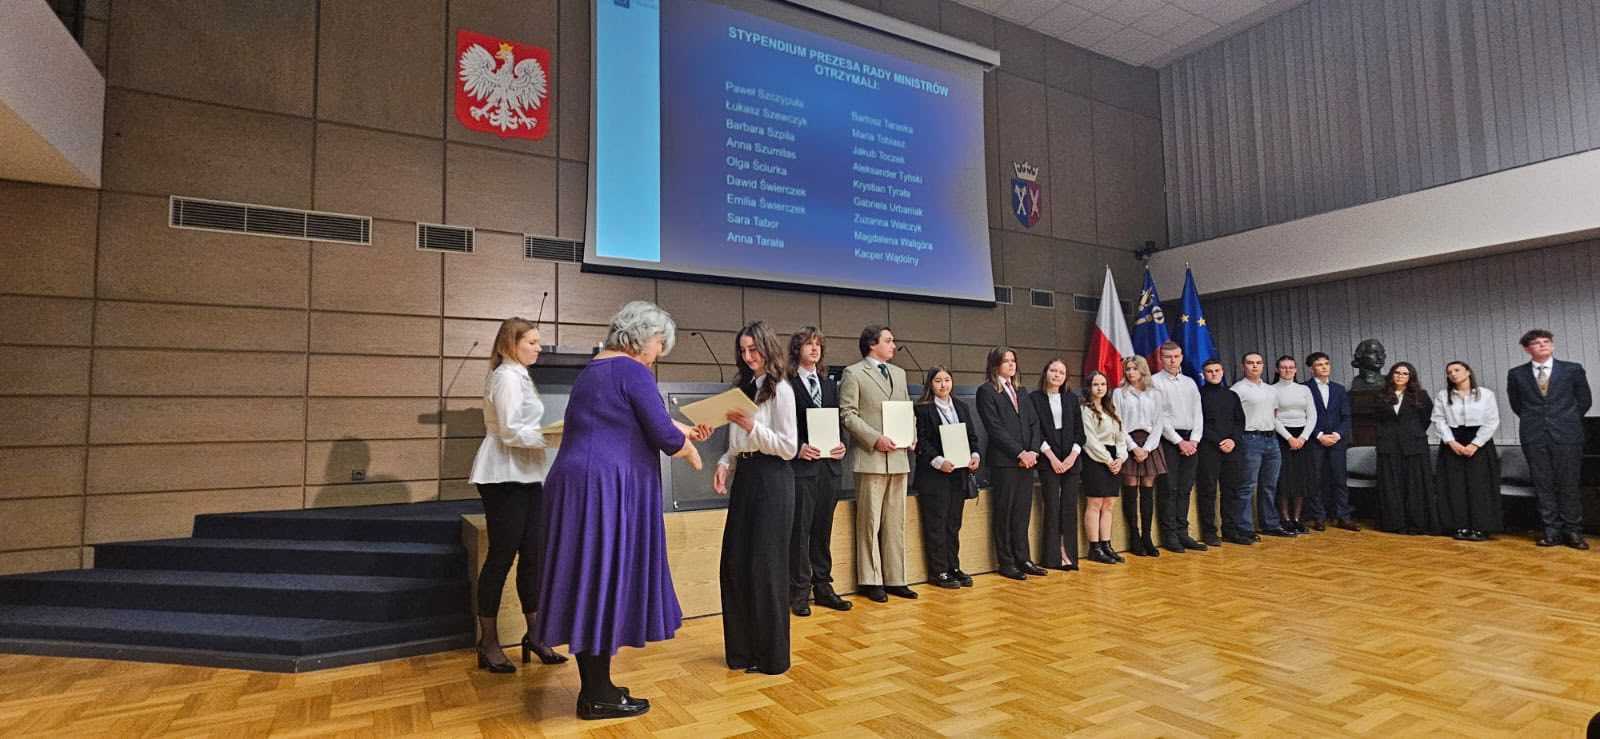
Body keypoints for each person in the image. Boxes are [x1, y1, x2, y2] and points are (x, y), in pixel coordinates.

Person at [536, 301, 709, 721]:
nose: (658, 354)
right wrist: (688, 448)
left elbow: (624, 418)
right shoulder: (632, 370)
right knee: (603, 581)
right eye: (659, 345)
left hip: (578, 485)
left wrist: (680, 430)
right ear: (644, 337)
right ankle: (596, 695)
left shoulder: (595, 369)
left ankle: (598, 687)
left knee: (588, 581)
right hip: (604, 491)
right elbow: (661, 433)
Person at [468, 317, 566, 673]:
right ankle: (488, 642)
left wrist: (548, 436)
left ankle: (536, 635)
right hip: (503, 474)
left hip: (526, 473)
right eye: (532, 342)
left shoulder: (519, 374)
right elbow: (510, 431)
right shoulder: (506, 376)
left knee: (534, 556)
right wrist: (551, 437)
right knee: (501, 558)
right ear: (511, 343)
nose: (539, 348)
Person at [712, 321, 799, 675]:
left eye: (753, 349)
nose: (748, 357)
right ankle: (742, 652)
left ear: (767, 348)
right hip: (746, 477)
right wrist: (724, 463)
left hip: (772, 479)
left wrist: (753, 427)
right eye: (743, 351)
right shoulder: (744, 388)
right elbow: (736, 444)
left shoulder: (782, 390)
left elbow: (788, 447)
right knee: (734, 565)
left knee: (766, 569)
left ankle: (772, 658)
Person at [839, 325, 917, 601]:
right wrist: (874, 439)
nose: (894, 345)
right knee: (869, 522)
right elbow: (848, 414)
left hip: (898, 456)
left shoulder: (899, 373)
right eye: (889, 340)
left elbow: (907, 409)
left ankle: (896, 578)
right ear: (873, 344)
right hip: (870, 456)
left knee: (896, 522)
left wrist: (912, 435)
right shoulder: (854, 373)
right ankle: (870, 579)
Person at [1506, 329, 1592, 549]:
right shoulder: (1517, 374)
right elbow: (1517, 405)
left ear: (1552, 345)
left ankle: (1573, 531)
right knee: (1543, 484)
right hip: (1534, 435)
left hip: (1567, 434)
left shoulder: (1572, 369)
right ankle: (1551, 531)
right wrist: (1537, 421)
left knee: (1569, 484)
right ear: (1527, 349)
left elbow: (1584, 400)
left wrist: (1565, 419)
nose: (1543, 345)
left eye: (1546, 341)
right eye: (1537, 343)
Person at [785, 327, 851, 616]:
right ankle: (799, 591)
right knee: (800, 532)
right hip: (802, 468)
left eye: (818, 345)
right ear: (796, 349)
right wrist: (798, 447)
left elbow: (838, 421)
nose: (814, 349)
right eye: (808, 344)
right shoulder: (787, 385)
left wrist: (842, 445)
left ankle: (823, 586)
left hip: (828, 468)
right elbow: (784, 425)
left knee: (823, 530)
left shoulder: (828, 384)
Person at [975, 346, 1044, 579]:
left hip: (1028, 462)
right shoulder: (986, 391)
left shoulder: (1021, 390)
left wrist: (1033, 451)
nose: (1012, 364)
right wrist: (1019, 453)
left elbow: (1034, 423)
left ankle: (1023, 558)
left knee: (1022, 513)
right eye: (1006, 361)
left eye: (1013, 360)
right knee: (1004, 513)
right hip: (1005, 462)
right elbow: (994, 428)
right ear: (995, 365)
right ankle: (1006, 562)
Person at [914, 366, 981, 588]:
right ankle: (939, 570)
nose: (943, 385)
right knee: (936, 523)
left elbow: (972, 437)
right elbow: (921, 442)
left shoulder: (961, 407)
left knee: (953, 524)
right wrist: (939, 461)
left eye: (947, 380)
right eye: (938, 381)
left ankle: (954, 566)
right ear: (930, 384)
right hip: (935, 475)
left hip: (958, 473)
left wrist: (974, 456)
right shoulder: (922, 409)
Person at [1432, 361, 1502, 541]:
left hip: (1479, 441)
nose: (1453, 374)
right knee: (1454, 486)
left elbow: (1492, 421)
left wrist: (1475, 444)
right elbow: (1438, 420)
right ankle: (1458, 525)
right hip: (1452, 441)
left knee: (1480, 486)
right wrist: (1451, 442)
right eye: (1449, 372)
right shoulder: (1443, 396)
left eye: (1457, 370)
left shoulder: (1485, 394)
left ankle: (1481, 527)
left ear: (1468, 372)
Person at [1028, 357, 1083, 570]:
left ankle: (1068, 554)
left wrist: (1071, 457)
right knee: (1052, 506)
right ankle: (1052, 557)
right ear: (1046, 372)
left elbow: (1080, 432)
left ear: (1066, 377)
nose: (1057, 375)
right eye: (1053, 370)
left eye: (1061, 372)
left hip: (1071, 459)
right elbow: (1035, 431)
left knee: (1069, 507)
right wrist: (1051, 458)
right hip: (1047, 458)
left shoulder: (1071, 399)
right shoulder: (1034, 398)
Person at [1152, 341, 1207, 553]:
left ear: (1182, 357)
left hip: (1191, 441)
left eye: (1176, 356)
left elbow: (1198, 413)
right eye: (1168, 357)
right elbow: (1160, 416)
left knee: (1185, 489)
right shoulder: (1155, 382)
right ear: (1161, 358)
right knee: (1169, 489)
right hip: (1168, 440)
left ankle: (1183, 533)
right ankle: (1169, 535)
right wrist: (1179, 441)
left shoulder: (1190, 383)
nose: (1172, 360)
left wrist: (1194, 440)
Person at [1232, 352, 1291, 539]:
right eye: (1250, 363)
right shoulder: (1238, 389)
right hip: (1250, 439)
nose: (1255, 366)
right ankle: (1244, 528)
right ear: (1243, 366)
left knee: (1269, 485)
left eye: (1258, 363)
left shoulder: (1271, 390)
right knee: (1247, 485)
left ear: (1263, 366)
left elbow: (1274, 415)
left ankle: (1270, 524)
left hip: (1271, 439)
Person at [1374, 362, 1437, 535]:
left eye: (1404, 373)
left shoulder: (1421, 395)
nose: (1400, 376)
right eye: (1397, 372)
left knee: (1415, 485)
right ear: (1391, 375)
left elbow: (1426, 418)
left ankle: (1417, 524)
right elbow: (1377, 419)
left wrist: (1412, 432)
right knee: (1392, 486)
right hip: (1389, 445)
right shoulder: (1381, 395)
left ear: (1411, 377)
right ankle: (1395, 524)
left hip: (1414, 445)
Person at [1113, 355, 1167, 557]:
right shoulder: (1119, 393)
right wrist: (1133, 447)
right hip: (1129, 442)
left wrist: (1148, 448)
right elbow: (1118, 421)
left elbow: (1159, 422)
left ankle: (1147, 536)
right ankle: (1134, 536)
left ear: (1143, 370)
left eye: (1134, 368)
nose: (1130, 372)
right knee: (1131, 490)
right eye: (1127, 369)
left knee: (1147, 490)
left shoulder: (1155, 393)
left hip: (1150, 444)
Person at [1304, 352, 1358, 531]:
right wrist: (1318, 435)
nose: (1324, 367)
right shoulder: (1304, 388)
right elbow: (1304, 416)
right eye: (1319, 364)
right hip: (1315, 441)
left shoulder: (1339, 389)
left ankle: (1343, 516)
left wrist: (1337, 434)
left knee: (1339, 479)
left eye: (1326, 363)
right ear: (1311, 369)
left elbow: (1346, 416)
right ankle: (1319, 517)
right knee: (1316, 479)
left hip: (1337, 441)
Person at [1198, 359, 1248, 545]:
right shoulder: (1199, 395)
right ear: (1204, 374)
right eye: (1209, 371)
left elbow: (1240, 421)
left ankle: (1230, 530)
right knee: (1208, 490)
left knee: (1231, 490)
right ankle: (1210, 532)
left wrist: (1232, 439)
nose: (1213, 374)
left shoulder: (1232, 395)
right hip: (1209, 448)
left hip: (1232, 447)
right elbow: (1199, 422)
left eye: (1217, 370)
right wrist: (1218, 441)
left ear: (1222, 372)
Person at [1080, 371, 1128, 564]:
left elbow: (1121, 437)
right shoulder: (1085, 410)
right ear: (1089, 387)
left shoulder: (1111, 409)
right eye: (1095, 384)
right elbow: (1090, 440)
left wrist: (1120, 458)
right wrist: (1108, 460)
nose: (1100, 388)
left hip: (1114, 458)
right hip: (1095, 459)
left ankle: (1106, 544)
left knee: (1109, 504)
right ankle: (1095, 547)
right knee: (1095, 504)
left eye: (1103, 384)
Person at [1273, 355, 1318, 534]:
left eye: (1291, 367)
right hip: (1282, 437)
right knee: (1284, 479)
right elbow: (1272, 417)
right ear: (1277, 370)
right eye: (1284, 367)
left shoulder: (1304, 389)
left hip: (1303, 438)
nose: (1288, 370)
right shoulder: (1272, 390)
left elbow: (1312, 415)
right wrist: (1289, 438)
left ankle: (1297, 518)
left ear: (1296, 369)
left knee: (1300, 479)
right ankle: (1285, 518)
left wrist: (1303, 438)